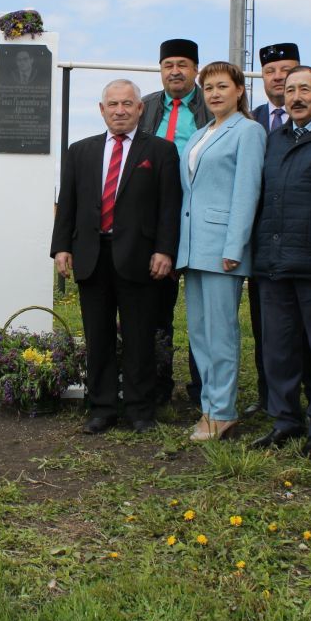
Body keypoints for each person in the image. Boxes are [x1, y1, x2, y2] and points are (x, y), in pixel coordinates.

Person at [52, 80, 182, 434]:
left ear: (140, 109)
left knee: (140, 336)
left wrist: (165, 250)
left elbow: (169, 207)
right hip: (91, 256)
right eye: (113, 104)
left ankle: (140, 410)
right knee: (98, 336)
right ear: (101, 109)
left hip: (140, 258)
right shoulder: (80, 152)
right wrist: (61, 247)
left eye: (128, 104)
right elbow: (68, 205)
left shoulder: (161, 151)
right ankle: (102, 408)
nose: (120, 110)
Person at [250, 65, 311, 458]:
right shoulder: (275, 139)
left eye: (305, 89)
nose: (296, 97)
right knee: (278, 348)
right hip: (273, 263)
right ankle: (285, 420)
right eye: (290, 91)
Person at [176, 62, 265, 441]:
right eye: (208, 87)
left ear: (239, 90)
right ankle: (209, 408)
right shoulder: (199, 134)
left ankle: (223, 411)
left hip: (222, 249)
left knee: (221, 334)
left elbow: (247, 192)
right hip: (194, 248)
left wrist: (234, 246)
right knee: (199, 333)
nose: (214, 93)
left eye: (222, 86)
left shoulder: (248, 131)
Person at [137, 39, 207, 407]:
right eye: (168, 64)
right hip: (152, 220)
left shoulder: (210, 105)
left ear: (196, 69)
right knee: (155, 308)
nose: (175, 71)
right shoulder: (144, 106)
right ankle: (158, 384)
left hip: (196, 218)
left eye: (182, 64)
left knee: (201, 309)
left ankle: (202, 389)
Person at [246, 42, 311, 418]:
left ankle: (307, 393)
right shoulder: (251, 120)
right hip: (263, 241)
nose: (279, 77)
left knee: (304, 327)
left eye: (287, 70)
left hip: (302, 241)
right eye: (271, 71)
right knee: (264, 323)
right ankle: (268, 394)